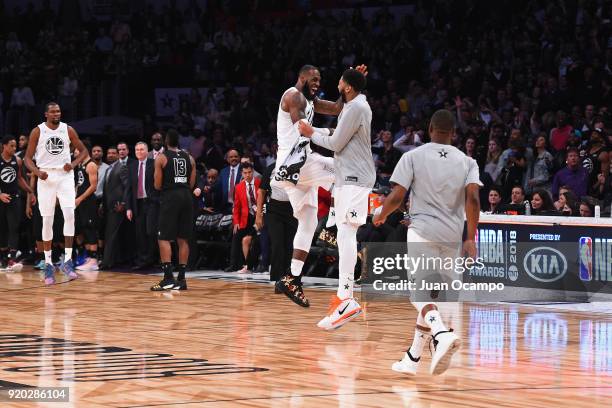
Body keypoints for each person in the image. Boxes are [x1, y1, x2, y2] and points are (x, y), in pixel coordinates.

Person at [373, 109, 482, 376]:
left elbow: (397, 196)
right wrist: (470, 237)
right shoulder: (468, 161)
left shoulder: (413, 156)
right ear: (453, 133)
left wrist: (381, 214)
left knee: (419, 294)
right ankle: (413, 357)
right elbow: (474, 201)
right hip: (452, 236)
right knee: (434, 296)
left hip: (422, 231)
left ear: (430, 128)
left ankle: (441, 334)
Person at [271, 64, 366, 307]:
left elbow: (336, 108)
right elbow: (303, 129)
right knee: (343, 169)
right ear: (301, 77)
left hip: (297, 171)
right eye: (313, 78)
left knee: (308, 222)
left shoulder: (312, 101)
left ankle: (292, 278)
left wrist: (351, 85)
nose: (317, 82)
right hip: (296, 163)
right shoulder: (294, 96)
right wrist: (331, 131)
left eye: (320, 80)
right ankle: (333, 226)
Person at [299, 68, 374, 330]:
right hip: (348, 178)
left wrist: (310, 134)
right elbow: (337, 133)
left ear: (349, 87)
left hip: (355, 179)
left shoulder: (355, 109)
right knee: (343, 234)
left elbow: (335, 143)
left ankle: (347, 297)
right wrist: (314, 129)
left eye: (341, 80)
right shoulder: (353, 106)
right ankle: (344, 297)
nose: (337, 83)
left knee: (346, 234)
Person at [23, 102, 87, 285]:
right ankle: (49, 263)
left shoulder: (68, 129)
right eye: (52, 111)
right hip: (45, 176)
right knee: (47, 219)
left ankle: (67, 261)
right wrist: (36, 172)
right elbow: (27, 158)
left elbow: (83, 151)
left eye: (58, 111)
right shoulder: (38, 131)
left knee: (69, 214)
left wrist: (73, 165)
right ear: (46, 114)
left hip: (65, 175)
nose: (56, 114)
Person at [151, 129, 196, 291]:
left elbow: (157, 185)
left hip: (171, 197)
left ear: (166, 141)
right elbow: (192, 184)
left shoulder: (161, 158)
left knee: (163, 237)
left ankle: (168, 278)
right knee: (183, 238)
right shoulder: (190, 158)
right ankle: (182, 279)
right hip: (186, 197)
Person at [255, 162, 297, 282]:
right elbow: (261, 192)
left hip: (292, 209)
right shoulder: (271, 168)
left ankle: (290, 278)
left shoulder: (297, 166)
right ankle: (277, 278)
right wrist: (259, 215)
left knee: (290, 245)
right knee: (277, 244)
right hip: (273, 210)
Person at [0, 135, 34, 271]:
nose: (15, 148)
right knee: (2, 229)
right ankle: (3, 258)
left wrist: (30, 191)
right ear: (4, 146)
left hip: (14, 198)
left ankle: (12, 259)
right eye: (12, 146)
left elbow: (19, 178)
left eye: (15, 146)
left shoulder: (18, 160)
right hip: (1, 198)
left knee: (14, 227)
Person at [125, 142, 157, 270]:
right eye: (137, 149)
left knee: (151, 231)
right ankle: (143, 260)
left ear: (147, 151)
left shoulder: (153, 163)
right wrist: (128, 207)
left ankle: (152, 258)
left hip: (151, 202)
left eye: (141, 149)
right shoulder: (132, 165)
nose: (139, 151)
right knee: (140, 233)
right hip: (137, 203)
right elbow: (128, 188)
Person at [73, 145, 99, 271]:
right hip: (80, 202)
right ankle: (88, 258)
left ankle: (94, 260)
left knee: (90, 229)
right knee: (82, 228)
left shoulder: (91, 165)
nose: (75, 152)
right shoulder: (79, 165)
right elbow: (79, 184)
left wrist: (80, 198)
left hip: (88, 201)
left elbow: (93, 186)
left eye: (77, 150)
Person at [231, 163, 261, 273]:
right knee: (237, 234)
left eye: (249, 172)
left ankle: (249, 266)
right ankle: (239, 265)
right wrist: (236, 222)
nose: (247, 175)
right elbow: (237, 207)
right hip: (247, 218)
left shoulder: (260, 183)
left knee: (248, 240)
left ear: (253, 172)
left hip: (261, 216)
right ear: (242, 174)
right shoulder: (238, 187)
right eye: (245, 173)